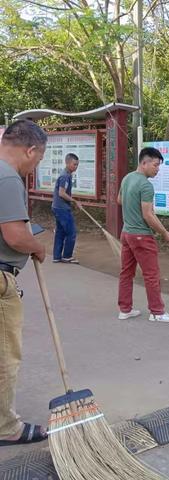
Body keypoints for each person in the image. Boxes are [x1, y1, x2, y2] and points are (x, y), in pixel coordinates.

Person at [0, 120, 48, 446]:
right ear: (30, 150)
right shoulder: (7, 178)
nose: (35, 167)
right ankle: (7, 428)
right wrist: (38, 246)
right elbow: (16, 236)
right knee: (5, 357)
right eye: (38, 159)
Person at [117, 147, 169, 323]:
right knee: (151, 274)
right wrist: (165, 233)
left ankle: (125, 309)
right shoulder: (145, 185)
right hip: (141, 236)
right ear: (144, 163)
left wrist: (134, 207)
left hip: (126, 233)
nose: (157, 169)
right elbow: (148, 215)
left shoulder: (127, 178)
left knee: (126, 273)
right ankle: (157, 312)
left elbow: (120, 200)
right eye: (155, 164)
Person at [52, 153, 81, 264]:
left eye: (77, 165)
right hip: (61, 208)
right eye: (74, 164)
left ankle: (56, 256)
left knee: (60, 232)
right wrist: (75, 201)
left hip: (57, 207)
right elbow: (61, 193)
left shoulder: (67, 174)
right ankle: (67, 256)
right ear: (68, 163)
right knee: (71, 232)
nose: (76, 167)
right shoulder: (65, 176)